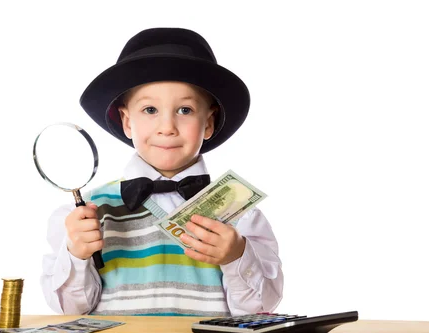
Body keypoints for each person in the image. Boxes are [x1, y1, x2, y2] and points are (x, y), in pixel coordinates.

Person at [41, 27, 283, 316]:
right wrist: (77, 255)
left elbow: (260, 310)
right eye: (150, 110)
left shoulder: (241, 213)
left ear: (209, 122)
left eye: (184, 111)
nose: (167, 127)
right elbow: (71, 310)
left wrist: (236, 256)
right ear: (126, 122)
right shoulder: (87, 215)